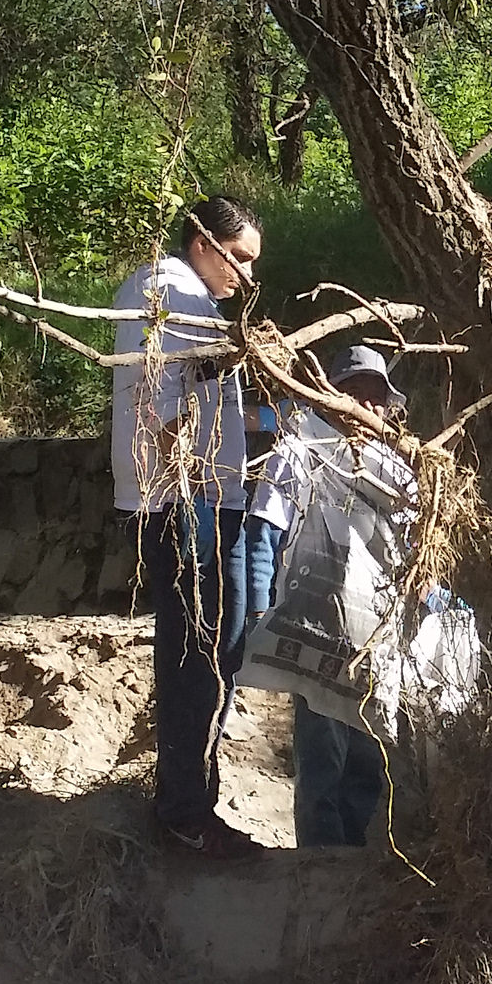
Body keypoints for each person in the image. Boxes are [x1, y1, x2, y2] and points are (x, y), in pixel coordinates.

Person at [111, 195, 265, 859]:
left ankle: (193, 798)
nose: (246, 277)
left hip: (203, 496)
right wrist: (200, 473)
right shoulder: (165, 294)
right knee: (195, 654)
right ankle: (184, 812)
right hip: (183, 500)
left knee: (216, 645)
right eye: (239, 258)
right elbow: (157, 407)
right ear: (202, 242)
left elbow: (197, 386)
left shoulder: (193, 300)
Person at [244, 345, 419, 847]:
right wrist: (257, 611)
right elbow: (265, 531)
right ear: (329, 398)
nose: (364, 407)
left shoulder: (397, 465)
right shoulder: (300, 452)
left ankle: (355, 855)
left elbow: (418, 545)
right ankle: (320, 860)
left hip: (378, 631)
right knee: (322, 746)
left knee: (369, 748)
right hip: (315, 625)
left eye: (374, 397)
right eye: (352, 393)